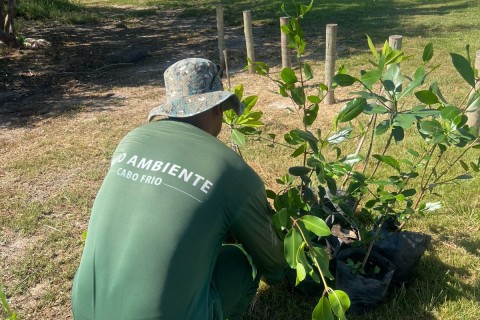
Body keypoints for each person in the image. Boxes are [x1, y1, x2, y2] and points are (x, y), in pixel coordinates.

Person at [71, 57, 288, 320]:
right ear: (217, 107)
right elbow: (275, 266)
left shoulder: (131, 140)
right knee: (240, 263)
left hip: (84, 310)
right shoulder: (232, 169)